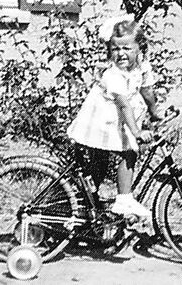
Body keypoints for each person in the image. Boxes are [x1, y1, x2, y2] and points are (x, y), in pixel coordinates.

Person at [67, 15, 163, 217]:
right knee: (128, 151)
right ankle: (124, 200)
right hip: (102, 120)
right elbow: (124, 105)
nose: (121, 54)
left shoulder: (142, 66)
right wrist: (136, 131)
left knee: (99, 163)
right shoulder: (113, 74)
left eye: (127, 48)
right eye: (115, 48)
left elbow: (147, 91)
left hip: (115, 120)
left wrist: (155, 113)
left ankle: (86, 206)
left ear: (140, 48)